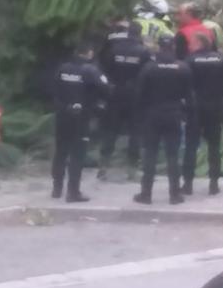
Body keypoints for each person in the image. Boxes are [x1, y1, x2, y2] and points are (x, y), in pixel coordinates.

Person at [133, 37, 195, 205]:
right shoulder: (183, 68)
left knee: (150, 155)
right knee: (173, 155)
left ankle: (146, 194)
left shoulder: (149, 68)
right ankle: (174, 194)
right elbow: (189, 96)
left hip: (152, 114)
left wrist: (140, 114)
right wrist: (188, 114)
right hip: (174, 114)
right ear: (173, 47)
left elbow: (139, 94)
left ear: (159, 47)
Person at [50, 39, 111, 203]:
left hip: (63, 115)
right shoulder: (90, 70)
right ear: (89, 53)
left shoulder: (63, 69)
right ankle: (73, 191)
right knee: (77, 154)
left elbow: (54, 90)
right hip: (81, 117)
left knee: (61, 152)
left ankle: (56, 189)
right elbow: (106, 89)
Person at [183, 34, 223, 196]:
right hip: (215, 107)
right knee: (214, 147)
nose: (189, 46)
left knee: (190, 146)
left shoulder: (190, 60)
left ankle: (188, 184)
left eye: (192, 42)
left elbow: (182, 78)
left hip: (195, 107)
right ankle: (214, 183)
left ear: (200, 43)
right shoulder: (221, 59)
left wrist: (188, 95)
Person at [97, 19, 149, 179]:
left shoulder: (114, 49)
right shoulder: (144, 51)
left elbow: (104, 69)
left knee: (111, 129)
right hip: (136, 95)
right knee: (135, 131)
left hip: (115, 93)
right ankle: (132, 169)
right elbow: (147, 75)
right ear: (139, 33)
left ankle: (104, 166)